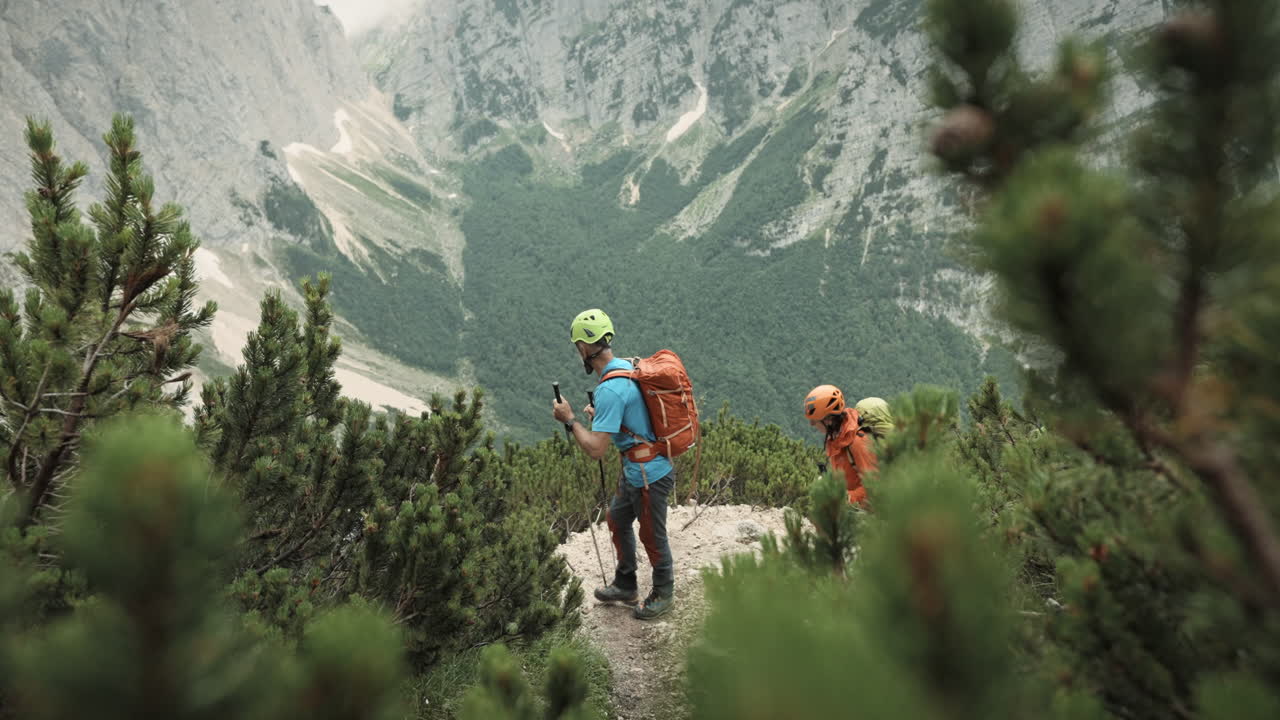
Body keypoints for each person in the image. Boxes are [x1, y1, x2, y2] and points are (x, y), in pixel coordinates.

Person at [552, 308, 675, 620]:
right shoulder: (626, 368)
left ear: (583, 348)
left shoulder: (609, 388)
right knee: (617, 518)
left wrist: (570, 421)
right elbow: (632, 412)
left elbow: (595, 449)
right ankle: (625, 583)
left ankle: (663, 592)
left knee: (652, 535)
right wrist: (606, 417)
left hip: (649, 475)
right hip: (638, 469)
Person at [804, 384, 880, 507]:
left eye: (815, 419)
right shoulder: (836, 440)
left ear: (828, 420)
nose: (812, 424)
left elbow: (875, 486)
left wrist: (846, 498)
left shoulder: (857, 442)